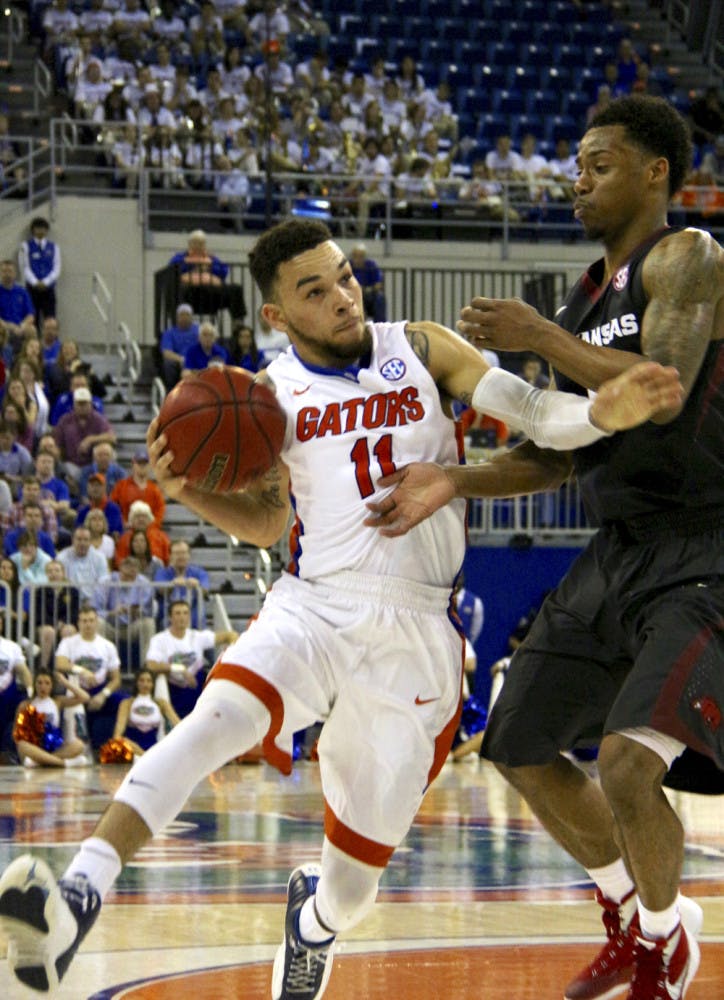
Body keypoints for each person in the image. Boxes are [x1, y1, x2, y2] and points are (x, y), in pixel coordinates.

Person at [0, 217, 683, 999]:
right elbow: (268, 523)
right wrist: (188, 493)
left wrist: (598, 414)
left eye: (345, 278)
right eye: (315, 291)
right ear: (276, 314)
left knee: (353, 888)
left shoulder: (420, 348)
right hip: (313, 608)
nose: (342, 297)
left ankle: (316, 922)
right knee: (208, 727)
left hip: (417, 636)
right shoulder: (267, 396)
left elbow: (529, 409)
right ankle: (72, 900)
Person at [364, 96, 722, 1000]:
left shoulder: (688, 257)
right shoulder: (582, 297)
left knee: (631, 766)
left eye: (600, 165)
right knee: (516, 741)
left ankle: (661, 953)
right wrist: (451, 480)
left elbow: (664, 388)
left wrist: (538, 338)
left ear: (654, 173)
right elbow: (559, 453)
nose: (579, 181)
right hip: (616, 550)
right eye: (577, 166)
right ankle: (637, 916)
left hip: (703, 549)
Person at [146, 599, 237, 719]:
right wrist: (179, 668)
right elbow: (151, 665)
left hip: (195, 690)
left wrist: (231, 650)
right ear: (170, 617)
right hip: (173, 692)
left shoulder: (196, 636)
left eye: (185, 613)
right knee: (160, 679)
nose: (182, 617)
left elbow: (231, 635)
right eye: (177, 613)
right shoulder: (159, 639)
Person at [54, 605, 124, 751]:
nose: (88, 624)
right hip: (75, 690)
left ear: (97, 622)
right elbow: (60, 664)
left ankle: (116, 745)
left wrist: (103, 695)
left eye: (91, 620)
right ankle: (59, 746)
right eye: (84, 621)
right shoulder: (68, 643)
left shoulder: (107, 646)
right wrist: (81, 671)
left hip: (99, 689)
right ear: (78, 623)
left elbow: (116, 679)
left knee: (125, 702)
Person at [14, 669, 90, 768]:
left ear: (52, 686)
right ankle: (64, 763)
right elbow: (16, 733)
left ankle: (39, 762)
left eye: (47, 683)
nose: (43, 687)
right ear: (34, 684)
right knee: (22, 745)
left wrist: (64, 682)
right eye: (39, 683)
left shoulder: (57, 702)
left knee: (79, 745)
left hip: (54, 746)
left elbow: (85, 697)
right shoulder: (25, 705)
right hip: (34, 747)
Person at [168, 229, 246, 322]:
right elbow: (173, 268)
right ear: (189, 244)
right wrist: (193, 266)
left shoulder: (211, 258)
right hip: (190, 292)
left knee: (235, 289)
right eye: (195, 243)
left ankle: (238, 324)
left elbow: (223, 271)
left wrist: (209, 267)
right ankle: (180, 323)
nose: (198, 246)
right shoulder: (180, 257)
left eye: (201, 243)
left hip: (210, 292)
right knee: (177, 291)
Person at [95, 555, 155, 672]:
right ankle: (101, 669)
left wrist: (136, 612)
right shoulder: (106, 581)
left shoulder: (143, 583)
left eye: (132, 577)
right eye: (126, 576)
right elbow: (95, 609)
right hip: (110, 625)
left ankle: (147, 670)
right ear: (120, 569)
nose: (129, 580)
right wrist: (112, 613)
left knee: (148, 623)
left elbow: (149, 610)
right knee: (98, 622)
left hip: (132, 625)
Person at [53, 386, 117, 484]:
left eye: (85, 403)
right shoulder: (65, 420)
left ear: (90, 404)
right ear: (74, 404)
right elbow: (57, 442)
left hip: (94, 465)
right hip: (71, 464)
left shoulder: (98, 419)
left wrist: (90, 439)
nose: (82, 406)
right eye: (79, 403)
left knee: (108, 450)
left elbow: (112, 437)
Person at [110, 667, 180, 756]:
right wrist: (142, 753)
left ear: (153, 684)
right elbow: (117, 735)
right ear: (136, 683)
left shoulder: (161, 703)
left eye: (149, 681)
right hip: (133, 750)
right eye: (141, 680)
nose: (145, 684)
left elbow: (179, 725)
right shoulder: (126, 703)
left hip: (154, 750)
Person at [34, 558, 80, 671]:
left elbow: (74, 612)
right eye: (50, 571)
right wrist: (54, 623)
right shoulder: (40, 591)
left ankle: (67, 669)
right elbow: (39, 613)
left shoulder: (73, 591)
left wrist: (63, 622)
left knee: (68, 630)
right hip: (46, 624)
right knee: (49, 631)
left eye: (57, 570)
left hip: (66, 624)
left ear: (63, 573)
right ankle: (43, 668)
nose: (53, 574)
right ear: (46, 574)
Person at [153, 537, 209, 628]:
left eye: (184, 553)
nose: (181, 556)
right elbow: (160, 590)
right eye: (177, 553)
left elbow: (205, 590)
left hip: (195, 622)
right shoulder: (162, 572)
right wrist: (172, 585)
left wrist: (197, 585)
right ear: (170, 556)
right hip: (168, 622)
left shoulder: (199, 572)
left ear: (189, 555)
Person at [18, 217, 62, 324]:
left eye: (43, 228)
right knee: (33, 320)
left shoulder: (54, 247)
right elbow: (24, 267)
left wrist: (46, 282)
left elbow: (57, 267)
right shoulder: (25, 246)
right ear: (33, 230)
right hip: (32, 289)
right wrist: (35, 282)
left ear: (47, 230)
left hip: (49, 289)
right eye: (38, 228)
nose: (40, 230)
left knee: (50, 319)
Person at [110, 447, 165, 527]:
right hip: (126, 529)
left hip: (149, 530)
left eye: (145, 464)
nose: (142, 466)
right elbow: (113, 506)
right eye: (139, 463)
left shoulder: (155, 490)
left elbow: (160, 511)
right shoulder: (121, 486)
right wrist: (123, 523)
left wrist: (151, 526)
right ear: (133, 465)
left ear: (149, 466)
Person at [57, 525, 110, 605]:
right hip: (69, 603)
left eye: (86, 540)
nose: (82, 543)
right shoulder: (62, 557)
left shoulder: (100, 558)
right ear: (72, 540)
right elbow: (60, 583)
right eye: (79, 539)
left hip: (94, 604)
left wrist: (92, 603)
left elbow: (103, 583)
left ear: (90, 541)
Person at [0, 624, 32, 760]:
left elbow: (23, 671)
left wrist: (30, 693)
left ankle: (10, 751)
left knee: (25, 706)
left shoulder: (11, 647)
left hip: (8, 696)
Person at [114, 500, 170, 567]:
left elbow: (169, 559)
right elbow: (119, 561)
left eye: (144, 516)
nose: (141, 519)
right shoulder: (124, 538)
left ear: (149, 519)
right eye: (137, 516)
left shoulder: (161, 537)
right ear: (132, 520)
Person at [0, 260, 36, 359]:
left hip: (20, 327)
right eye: (4, 271)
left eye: (10, 271)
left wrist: (22, 326)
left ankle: (29, 361)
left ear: (15, 273)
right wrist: (8, 326)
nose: (7, 274)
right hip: (3, 327)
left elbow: (30, 315)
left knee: (32, 330)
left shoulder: (22, 292)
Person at [159, 302, 199, 389]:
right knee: (168, 364)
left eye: (187, 315)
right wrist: (181, 359)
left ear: (192, 317)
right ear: (177, 317)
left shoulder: (199, 331)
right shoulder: (169, 333)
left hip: (197, 360)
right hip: (179, 361)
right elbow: (166, 352)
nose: (184, 317)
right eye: (182, 315)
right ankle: (172, 390)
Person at [76, 471, 124, 539]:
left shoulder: (114, 509)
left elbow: (111, 531)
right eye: (92, 485)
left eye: (98, 485)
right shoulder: (83, 511)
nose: (95, 488)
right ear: (88, 488)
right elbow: (78, 530)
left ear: (105, 488)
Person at [349, 243, 387, 323]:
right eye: (356, 256)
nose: (358, 259)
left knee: (380, 298)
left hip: (369, 295)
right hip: (353, 296)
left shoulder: (371, 265)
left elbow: (378, 285)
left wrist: (366, 289)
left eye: (361, 256)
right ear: (352, 256)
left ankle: (380, 325)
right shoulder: (348, 266)